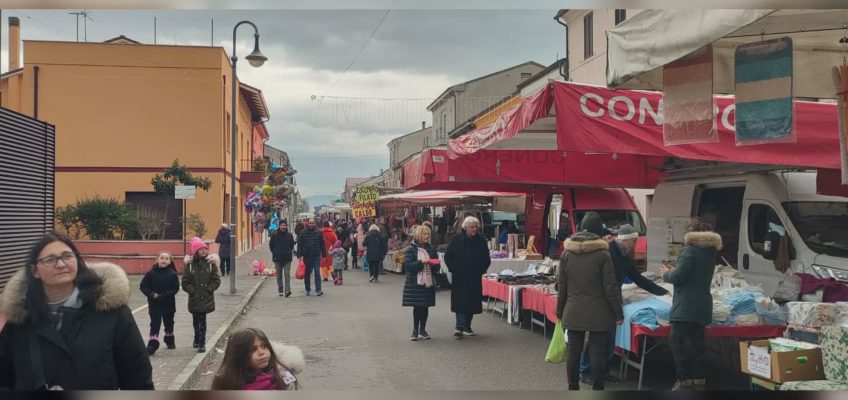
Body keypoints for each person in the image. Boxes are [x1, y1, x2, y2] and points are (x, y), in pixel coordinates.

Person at [0, 232, 154, 390]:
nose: (60, 264)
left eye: (67, 256)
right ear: (34, 271)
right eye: (49, 259)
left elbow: (137, 376)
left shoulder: (110, 311)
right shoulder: (20, 318)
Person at [579, 224, 669, 385]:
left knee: (609, 338)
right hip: (600, 300)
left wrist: (661, 291)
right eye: (634, 241)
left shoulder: (625, 255)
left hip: (614, 299)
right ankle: (585, 370)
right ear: (626, 240)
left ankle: (604, 370)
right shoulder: (606, 251)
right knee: (596, 338)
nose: (635, 244)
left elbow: (637, 277)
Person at [556, 230, 623, 391]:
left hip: (572, 310)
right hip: (599, 312)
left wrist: (559, 311)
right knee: (597, 353)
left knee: (574, 352)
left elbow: (562, 287)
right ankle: (598, 388)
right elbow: (610, 287)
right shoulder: (603, 254)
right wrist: (618, 313)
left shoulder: (567, 254)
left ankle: (573, 388)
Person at [660, 223, 722, 391]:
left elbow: (679, 276)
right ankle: (699, 379)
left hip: (686, 306)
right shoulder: (710, 252)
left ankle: (683, 380)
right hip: (702, 305)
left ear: (693, 234)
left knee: (676, 341)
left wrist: (666, 273)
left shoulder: (690, 251)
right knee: (698, 344)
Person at [211, 328, 304, 390]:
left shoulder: (282, 375)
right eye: (253, 349)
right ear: (239, 355)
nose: (261, 352)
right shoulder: (227, 383)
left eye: (264, 346)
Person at [444, 216, 491, 338]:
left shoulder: (481, 240)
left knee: (472, 302)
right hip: (459, 276)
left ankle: (467, 326)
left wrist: (481, 270)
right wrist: (454, 269)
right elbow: (448, 256)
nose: (474, 229)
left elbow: (486, 258)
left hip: (474, 276)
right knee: (460, 301)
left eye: (476, 227)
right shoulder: (456, 239)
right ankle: (459, 326)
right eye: (472, 227)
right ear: (466, 227)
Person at [182, 237, 221, 353]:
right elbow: (185, 282)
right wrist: (191, 290)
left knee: (202, 321)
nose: (204, 251)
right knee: (195, 320)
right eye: (201, 249)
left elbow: (216, 280)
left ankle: (202, 342)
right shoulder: (190, 265)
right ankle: (196, 337)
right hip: (194, 298)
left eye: (205, 248)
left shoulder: (210, 264)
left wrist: (210, 289)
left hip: (206, 297)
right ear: (196, 251)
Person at [402, 225, 441, 341]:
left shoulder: (432, 249)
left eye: (428, 234)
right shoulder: (411, 249)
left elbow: (437, 267)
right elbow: (408, 267)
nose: (427, 236)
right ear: (419, 235)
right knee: (418, 307)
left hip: (428, 283)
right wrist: (421, 262)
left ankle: (423, 330)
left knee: (425, 307)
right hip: (415, 283)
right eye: (425, 234)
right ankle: (415, 330)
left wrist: (434, 265)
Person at [139, 252, 180, 355]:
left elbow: (175, 289)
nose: (164, 260)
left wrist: (162, 295)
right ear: (157, 260)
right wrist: (152, 294)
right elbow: (143, 286)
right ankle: (152, 344)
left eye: (166, 258)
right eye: (162, 258)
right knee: (155, 323)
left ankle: (169, 339)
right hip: (154, 304)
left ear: (170, 261)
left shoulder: (172, 274)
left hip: (168, 304)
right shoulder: (150, 274)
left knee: (169, 322)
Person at [296, 218, 327, 296]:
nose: (311, 224)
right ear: (307, 224)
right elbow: (299, 245)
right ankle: (308, 289)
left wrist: (324, 255)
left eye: (313, 223)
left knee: (317, 273)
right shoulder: (303, 233)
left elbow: (322, 244)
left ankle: (318, 290)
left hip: (316, 256)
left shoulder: (319, 233)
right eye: (310, 223)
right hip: (306, 256)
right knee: (307, 274)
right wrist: (299, 255)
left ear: (315, 224)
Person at [270, 221, 296, 297]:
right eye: (282, 225)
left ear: (286, 226)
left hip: (287, 258)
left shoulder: (289, 235)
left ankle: (287, 290)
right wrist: (275, 252)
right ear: (279, 226)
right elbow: (271, 245)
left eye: (284, 225)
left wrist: (288, 251)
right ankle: (280, 289)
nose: (283, 227)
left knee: (287, 274)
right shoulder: (274, 235)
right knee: (279, 275)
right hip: (277, 258)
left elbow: (292, 245)